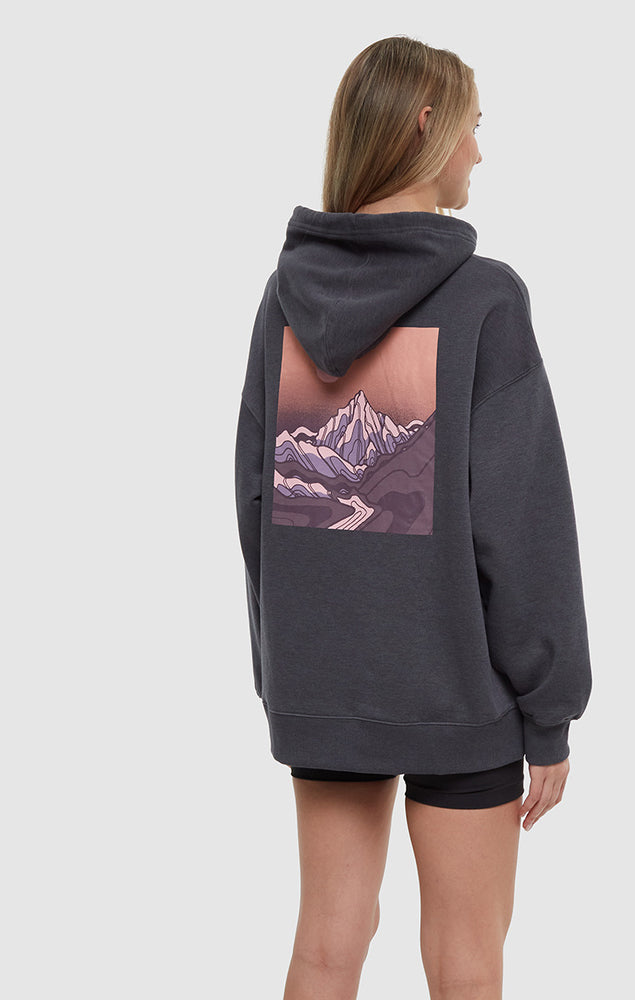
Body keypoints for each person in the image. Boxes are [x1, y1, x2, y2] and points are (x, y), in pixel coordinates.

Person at [234, 34, 593, 1000]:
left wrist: (290, 670)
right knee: (466, 963)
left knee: (325, 945)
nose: (481, 150)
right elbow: (522, 522)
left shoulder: (286, 296)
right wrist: (551, 709)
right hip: (459, 693)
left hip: (325, 685)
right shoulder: (483, 300)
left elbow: (257, 502)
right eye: (474, 125)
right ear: (428, 127)